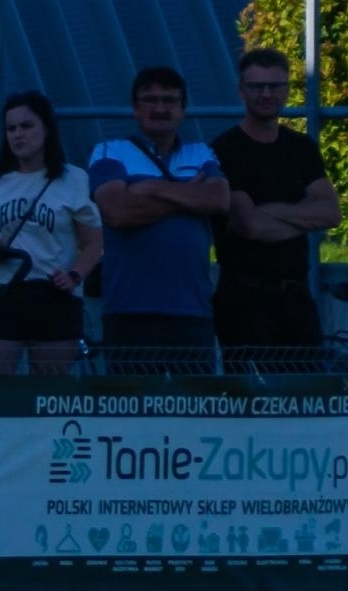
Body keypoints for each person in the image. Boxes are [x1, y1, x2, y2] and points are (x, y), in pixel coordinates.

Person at [88, 67, 229, 372]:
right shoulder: (110, 151)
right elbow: (118, 212)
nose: (160, 108)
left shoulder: (199, 152)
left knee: (194, 401)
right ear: (135, 108)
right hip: (130, 310)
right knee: (131, 401)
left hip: (192, 310)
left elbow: (218, 200)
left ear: (183, 109)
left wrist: (152, 188)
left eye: (169, 100)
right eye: (150, 100)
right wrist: (188, 195)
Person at [211, 49, 339, 372]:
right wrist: (302, 215)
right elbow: (250, 226)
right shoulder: (225, 149)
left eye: (275, 85)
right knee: (251, 395)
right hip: (243, 299)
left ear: (287, 90)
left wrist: (271, 211)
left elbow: (331, 213)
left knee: (307, 392)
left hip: (297, 297)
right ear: (241, 90)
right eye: (257, 86)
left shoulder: (302, 148)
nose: (266, 94)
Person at [0, 90, 103, 374]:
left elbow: (93, 243)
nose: (18, 135)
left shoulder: (73, 179)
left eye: (27, 126)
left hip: (53, 293)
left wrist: (75, 275)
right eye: (11, 128)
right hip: (3, 290)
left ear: (47, 129)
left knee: (47, 390)